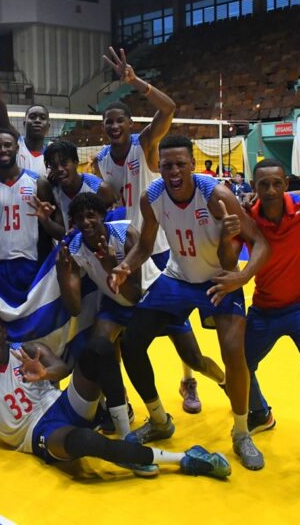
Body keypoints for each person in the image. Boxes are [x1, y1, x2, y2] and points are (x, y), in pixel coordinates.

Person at [110, 134, 271, 471]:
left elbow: (260, 243)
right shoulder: (151, 197)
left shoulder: (217, 195)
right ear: (159, 167)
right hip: (178, 278)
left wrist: (242, 278)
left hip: (219, 279)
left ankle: (242, 432)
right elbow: (145, 245)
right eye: (166, 165)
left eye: (180, 164)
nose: (173, 170)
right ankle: (158, 419)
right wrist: (126, 267)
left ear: (193, 165)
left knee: (232, 350)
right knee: (132, 339)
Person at [0, 312, 232, 480]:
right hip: (38, 432)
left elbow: (62, 369)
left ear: (4, 334)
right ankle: (183, 458)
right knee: (85, 440)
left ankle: (125, 434)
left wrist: (46, 374)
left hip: (62, 404)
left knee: (99, 346)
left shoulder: (26, 350)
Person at [57, 192, 226, 438]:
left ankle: (224, 382)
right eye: (80, 218)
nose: (86, 222)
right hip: (116, 305)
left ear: (102, 216)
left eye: (91, 215)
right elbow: (74, 308)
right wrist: (63, 274)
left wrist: (108, 267)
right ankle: (121, 404)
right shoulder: (74, 248)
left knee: (193, 358)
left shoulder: (126, 234)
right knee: (100, 347)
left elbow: (134, 294)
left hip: (154, 298)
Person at [93, 47, 204, 412]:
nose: (113, 127)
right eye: (108, 122)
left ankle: (188, 382)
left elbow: (168, 109)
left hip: (157, 247)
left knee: (174, 323)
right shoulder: (100, 160)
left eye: (119, 121)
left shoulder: (146, 145)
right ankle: (127, 394)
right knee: (126, 329)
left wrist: (134, 81)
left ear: (129, 124)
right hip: (127, 251)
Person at [226, 159, 300, 479]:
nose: (271, 190)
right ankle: (261, 413)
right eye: (263, 184)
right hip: (265, 308)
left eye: (277, 183)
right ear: (254, 187)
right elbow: (226, 251)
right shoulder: (247, 218)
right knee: (239, 364)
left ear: (286, 183)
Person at [0, 127, 65, 291]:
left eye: (7, 145)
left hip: (32, 263)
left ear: (17, 148)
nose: (3, 150)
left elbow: (60, 231)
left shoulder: (38, 183)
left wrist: (46, 220)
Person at [0, 20, 49, 177]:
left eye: (42, 117)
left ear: (48, 126)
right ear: (24, 122)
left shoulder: (53, 155)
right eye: (32, 116)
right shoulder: (16, 144)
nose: (37, 120)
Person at [44, 140, 116, 230]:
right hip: (72, 243)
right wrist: (45, 220)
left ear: (76, 162)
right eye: (54, 165)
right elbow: (64, 234)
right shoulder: (53, 190)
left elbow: (114, 227)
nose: (59, 169)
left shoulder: (100, 188)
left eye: (64, 163)